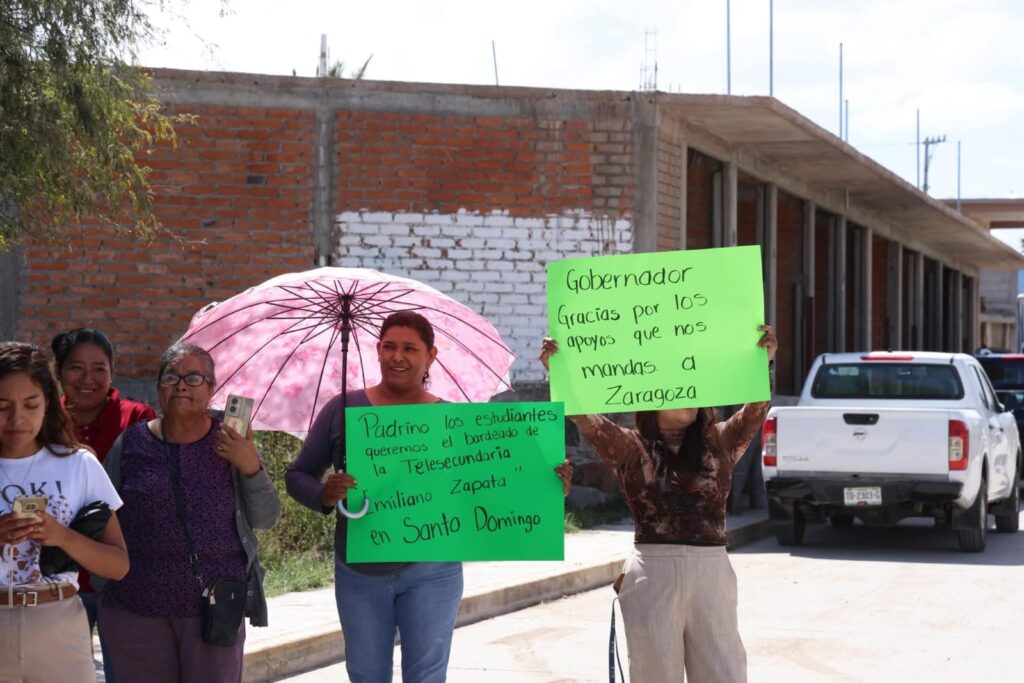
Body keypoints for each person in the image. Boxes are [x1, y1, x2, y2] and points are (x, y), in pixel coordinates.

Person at [286, 311, 573, 683]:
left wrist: (547, 486)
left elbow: (492, 485)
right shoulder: (343, 409)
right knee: (366, 675)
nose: (397, 356)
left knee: (426, 678)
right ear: (378, 350)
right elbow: (297, 475)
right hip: (359, 570)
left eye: (409, 348)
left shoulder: (451, 420)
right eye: (389, 347)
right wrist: (325, 494)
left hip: (432, 569)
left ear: (430, 356)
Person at [540, 325, 778, 683]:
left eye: (693, 384)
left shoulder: (720, 442)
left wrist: (763, 362)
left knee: (724, 674)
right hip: (651, 573)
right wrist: (557, 371)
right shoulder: (631, 447)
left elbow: (755, 410)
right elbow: (585, 418)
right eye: (676, 383)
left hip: (712, 573)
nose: (687, 393)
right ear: (652, 393)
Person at [99, 342, 281, 682]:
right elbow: (100, 516)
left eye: (194, 378)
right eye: (172, 377)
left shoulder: (231, 442)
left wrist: (250, 465)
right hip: (136, 606)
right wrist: (106, 586)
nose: (181, 385)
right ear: (159, 386)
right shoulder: (131, 443)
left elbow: (266, 518)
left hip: (214, 607)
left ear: (211, 389)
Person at [0, 342, 129, 683]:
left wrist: (63, 537)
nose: (17, 419)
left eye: (31, 404)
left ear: (48, 403)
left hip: (59, 625)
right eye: (2, 407)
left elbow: (118, 565)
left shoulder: (78, 464)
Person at [52, 327, 156, 680]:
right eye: (76, 368)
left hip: (123, 575)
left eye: (99, 368)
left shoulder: (136, 418)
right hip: (60, 579)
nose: (88, 379)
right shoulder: (44, 422)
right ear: (59, 372)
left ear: (112, 372)